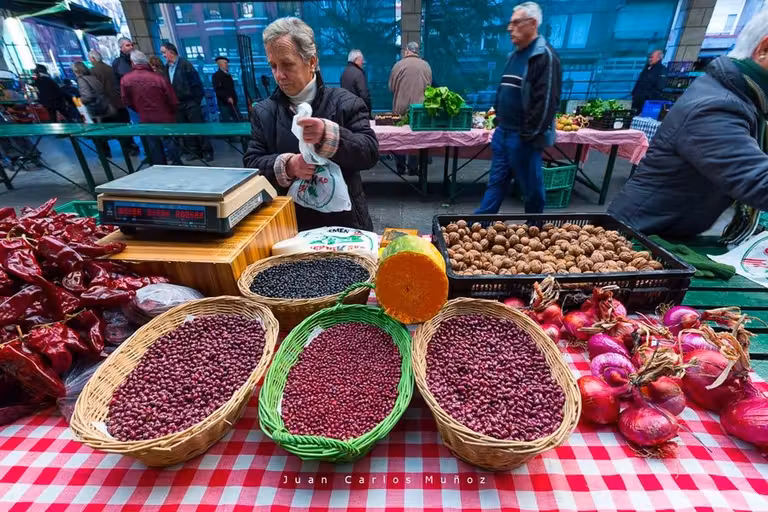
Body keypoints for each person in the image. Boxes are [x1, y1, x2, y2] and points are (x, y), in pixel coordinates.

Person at [608, 10, 768, 239]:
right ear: (764, 49)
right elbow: (758, 180)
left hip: (668, 230)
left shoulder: (742, 97)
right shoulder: (716, 106)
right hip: (642, 234)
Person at [243, 17, 379, 231]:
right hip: (288, 226)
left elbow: (369, 152)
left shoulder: (346, 103)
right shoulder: (264, 112)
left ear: (312, 62)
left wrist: (329, 136)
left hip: (344, 225)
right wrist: (288, 166)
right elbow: (251, 165)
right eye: (273, 66)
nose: (279, 75)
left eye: (287, 64)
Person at [475, 2, 562, 215]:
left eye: (515, 23)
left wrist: (528, 136)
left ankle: (535, 225)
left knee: (531, 187)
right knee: (496, 181)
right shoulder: (514, 56)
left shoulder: (544, 56)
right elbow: (503, 89)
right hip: (504, 132)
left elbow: (546, 103)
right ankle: (480, 222)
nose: (509, 28)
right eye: (510, 23)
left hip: (524, 136)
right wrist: (498, 118)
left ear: (532, 24)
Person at [120, 51, 181, 166]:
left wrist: (138, 110)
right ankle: (177, 164)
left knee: (154, 146)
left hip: (145, 117)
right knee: (170, 142)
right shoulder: (158, 78)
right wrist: (172, 111)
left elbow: (126, 100)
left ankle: (160, 167)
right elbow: (172, 99)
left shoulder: (126, 79)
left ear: (132, 63)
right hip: (165, 116)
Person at [161, 42, 214, 162]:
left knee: (198, 127)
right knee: (187, 130)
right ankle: (194, 151)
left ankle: (207, 151)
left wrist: (195, 101)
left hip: (190, 102)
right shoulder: (167, 68)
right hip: (177, 104)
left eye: (164, 52)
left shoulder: (185, 65)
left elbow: (196, 84)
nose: (163, 55)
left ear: (171, 52)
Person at [389, 42, 431, 175]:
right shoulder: (426, 66)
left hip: (400, 108)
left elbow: (391, 87)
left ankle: (401, 168)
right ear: (417, 51)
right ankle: (413, 168)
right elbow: (429, 88)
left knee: (399, 138)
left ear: (407, 51)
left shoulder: (398, 65)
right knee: (416, 139)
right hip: (419, 109)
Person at [89, 49, 133, 157]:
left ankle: (106, 153)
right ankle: (130, 148)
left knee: (102, 132)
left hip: (105, 107)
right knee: (124, 129)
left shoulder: (92, 72)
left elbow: (95, 90)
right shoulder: (110, 68)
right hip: (118, 103)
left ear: (92, 59)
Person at [109, 39, 141, 156]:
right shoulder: (118, 63)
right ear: (121, 48)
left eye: (132, 44)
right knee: (139, 125)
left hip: (144, 99)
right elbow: (117, 84)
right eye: (128, 45)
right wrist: (126, 98)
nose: (131, 47)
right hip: (131, 102)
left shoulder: (138, 58)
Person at [340, 49, 372, 116]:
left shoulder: (344, 73)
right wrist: (368, 111)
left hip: (346, 109)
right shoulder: (358, 73)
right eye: (361, 60)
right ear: (356, 59)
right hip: (358, 111)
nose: (363, 62)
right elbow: (364, 95)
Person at [212, 56, 238, 122]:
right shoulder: (216, 75)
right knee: (227, 121)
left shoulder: (228, 75)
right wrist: (227, 97)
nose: (227, 65)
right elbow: (218, 90)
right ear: (220, 64)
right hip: (224, 104)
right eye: (225, 63)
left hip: (233, 101)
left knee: (237, 119)